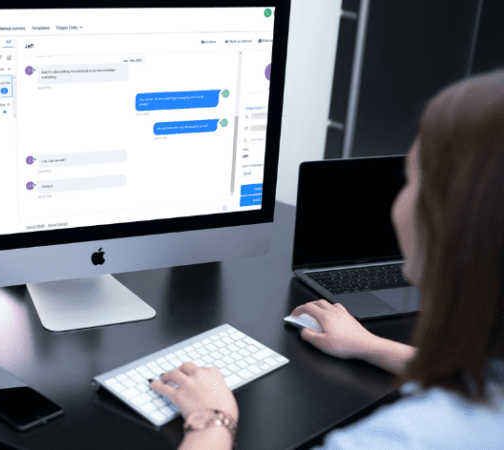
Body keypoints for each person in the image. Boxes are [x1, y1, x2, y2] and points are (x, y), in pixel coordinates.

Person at [150, 71, 504, 449]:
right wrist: (370, 345)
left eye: (410, 178)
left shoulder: (403, 439)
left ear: (453, 219)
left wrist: (213, 419)